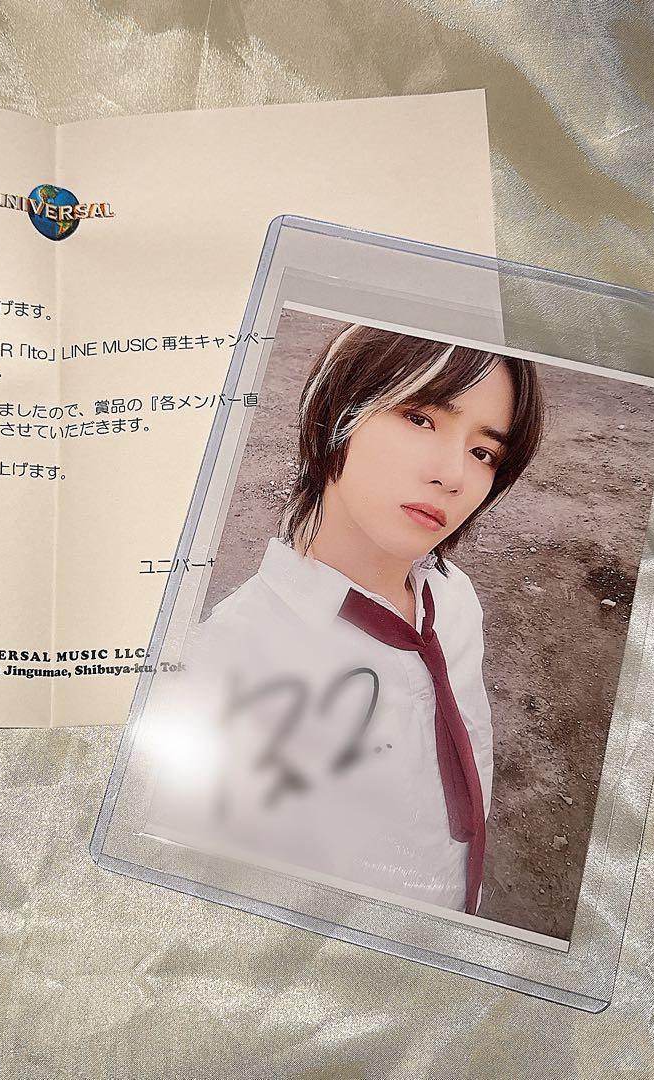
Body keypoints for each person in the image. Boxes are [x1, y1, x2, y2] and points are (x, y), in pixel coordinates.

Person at [147, 322, 545, 917]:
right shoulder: (228, 666)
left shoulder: (455, 600)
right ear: (339, 413)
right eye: (421, 418)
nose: (454, 476)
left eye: (483, 452)